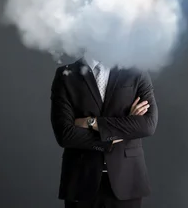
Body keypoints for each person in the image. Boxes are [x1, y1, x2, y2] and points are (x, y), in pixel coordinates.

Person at [50, 56, 158, 208]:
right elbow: (65, 134)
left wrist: (91, 122)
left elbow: (147, 124)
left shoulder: (136, 71)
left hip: (127, 181)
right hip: (81, 182)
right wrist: (123, 128)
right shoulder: (66, 75)